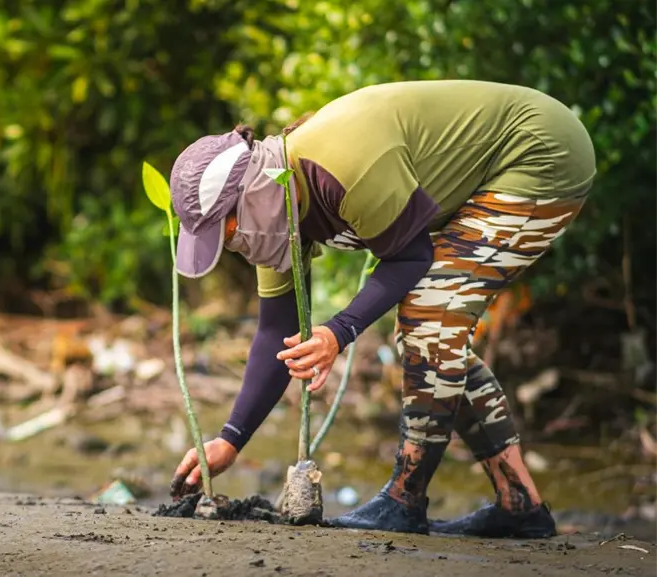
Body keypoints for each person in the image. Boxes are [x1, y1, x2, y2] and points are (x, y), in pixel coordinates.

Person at [166, 79, 595, 538]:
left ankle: (404, 500)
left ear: (247, 199)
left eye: (225, 234)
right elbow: (277, 333)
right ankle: (520, 506)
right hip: (490, 174)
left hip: (540, 151)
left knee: (430, 318)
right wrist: (231, 440)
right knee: (430, 328)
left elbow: (412, 258)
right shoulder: (276, 219)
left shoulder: (340, 164)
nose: (231, 246)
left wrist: (338, 332)